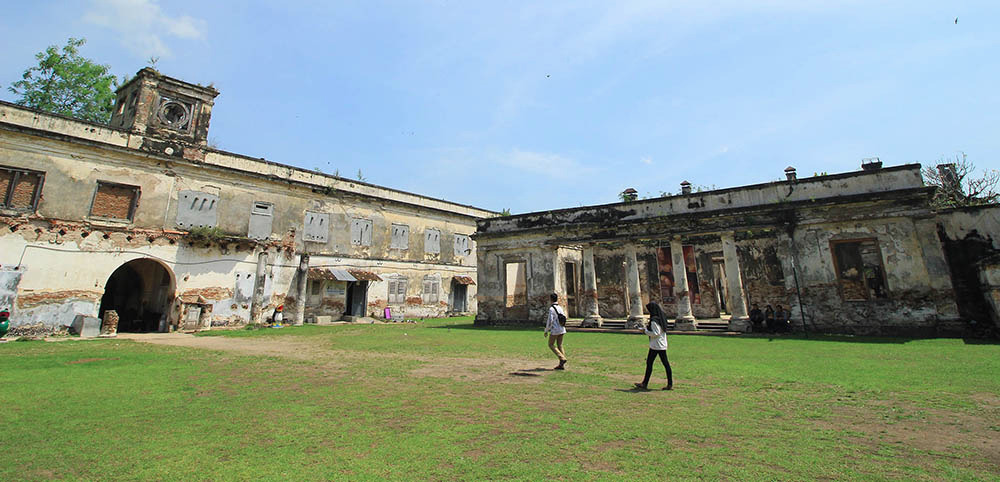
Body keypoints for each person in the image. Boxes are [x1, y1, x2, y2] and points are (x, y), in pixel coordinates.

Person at [635, 302, 673, 390]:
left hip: (656, 345)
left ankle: (645, 383)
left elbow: (656, 333)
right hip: (661, 343)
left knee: (650, 363)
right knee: (665, 364)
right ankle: (669, 384)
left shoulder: (654, 320)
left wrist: (645, 331)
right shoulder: (661, 317)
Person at [543, 293, 568, 370]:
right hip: (562, 328)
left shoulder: (551, 309)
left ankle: (562, 358)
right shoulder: (560, 307)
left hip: (555, 329)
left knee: (551, 344)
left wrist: (546, 330)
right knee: (560, 345)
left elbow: (550, 321)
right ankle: (561, 365)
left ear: (551, 299)